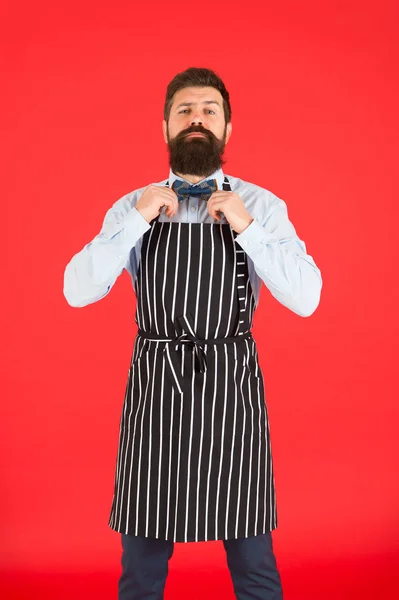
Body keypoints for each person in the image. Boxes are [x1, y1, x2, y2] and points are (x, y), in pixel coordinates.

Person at [63, 66, 322, 600]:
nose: (196, 119)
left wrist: (247, 228)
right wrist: (136, 220)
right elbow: (77, 289)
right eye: (185, 111)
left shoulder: (263, 207)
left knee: (254, 563)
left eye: (209, 110)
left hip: (232, 390)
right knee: (140, 566)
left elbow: (306, 297)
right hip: (156, 391)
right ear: (165, 128)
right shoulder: (132, 206)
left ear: (228, 129)